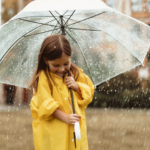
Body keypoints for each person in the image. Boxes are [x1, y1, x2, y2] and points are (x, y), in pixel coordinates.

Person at [29, 34, 94, 150]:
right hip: (54, 130)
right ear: (46, 60)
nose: (61, 69)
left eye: (66, 63)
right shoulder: (44, 78)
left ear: (70, 57)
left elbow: (88, 95)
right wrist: (65, 117)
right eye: (56, 65)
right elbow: (46, 104)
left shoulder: (76, 73)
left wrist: (77, 87)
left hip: (74, 128)